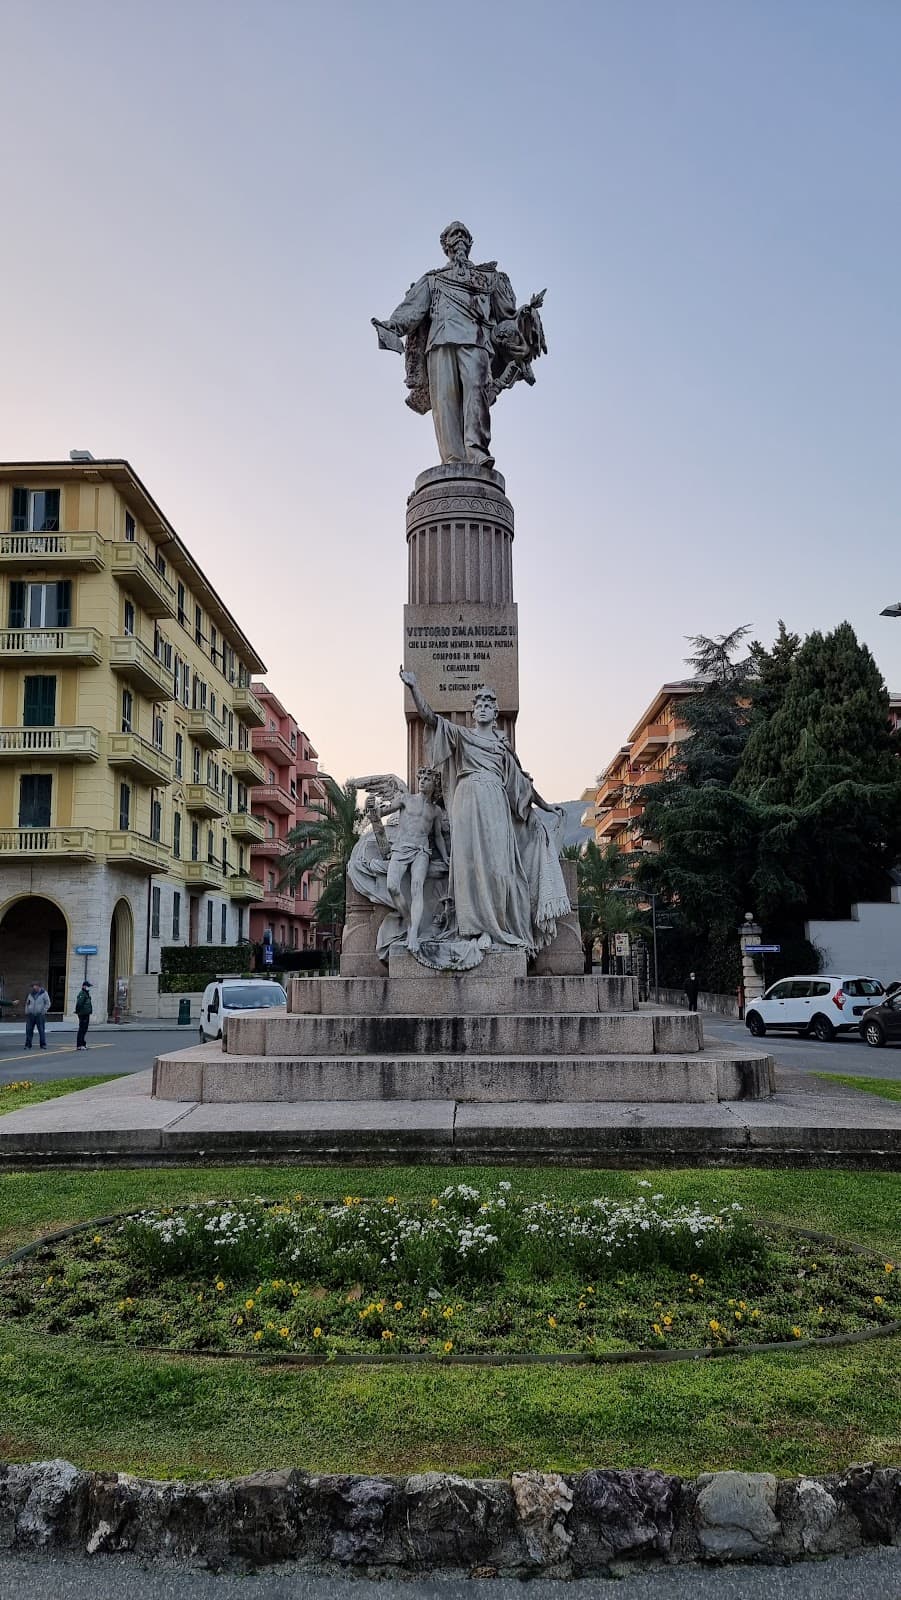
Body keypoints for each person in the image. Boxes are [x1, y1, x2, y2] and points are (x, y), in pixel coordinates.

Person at [399, 667, 569, 956]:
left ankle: (496, 927)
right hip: (467, 800)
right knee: (467, 865)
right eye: (478, 705)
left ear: (495, 711)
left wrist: (545, 806)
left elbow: (522, 785)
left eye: (488, 705)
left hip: (495, 802)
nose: (482, 709)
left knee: (498, 866)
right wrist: (414, 689)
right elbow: (430, 718)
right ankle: (472, 928)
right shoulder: (463, 736)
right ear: (473, 712)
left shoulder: (503, 747)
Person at [373, 222, 546, 469]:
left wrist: (526, 317)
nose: (459, 238)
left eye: (464, 234)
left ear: (470, 243)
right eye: (454, 235)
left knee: (477, 393)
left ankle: (476, 451)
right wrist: (391, 326)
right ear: (446, 245)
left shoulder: (487, 279)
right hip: (439, 342)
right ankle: (452, 458)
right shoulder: (433, 280)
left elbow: (507, 316)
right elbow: (412, 310)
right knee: (445, 401)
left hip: (476, 342)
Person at [377, 767, 448, 954]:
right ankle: (409, 922)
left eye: (427, 779)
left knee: (417, 888)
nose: (423, 781)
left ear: (435, 785)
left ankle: (413, 934)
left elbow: (438, 836)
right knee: (392, 887)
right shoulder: (405, 799)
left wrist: (445, 856)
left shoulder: (435, 811)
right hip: (401, 848)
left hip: (422, 851)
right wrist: (373, 809)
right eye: (421, 777)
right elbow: (382, 812)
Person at [24, 981, 50, 1049]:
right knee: (29, 1030)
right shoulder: (30, 994)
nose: (34, 987)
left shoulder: (44, 993)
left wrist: (44, 1011)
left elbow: (48, 1003)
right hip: (31, 1015)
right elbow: (27, 1003)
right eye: (33, 986)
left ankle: (43, 1044)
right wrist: (27, 1011)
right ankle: (28, 1045)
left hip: (40, 1015)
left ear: (39, 986)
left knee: (41, 1030)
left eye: (35, 986)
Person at [75, 980, 93, 1049]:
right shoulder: (82, 993)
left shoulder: (86, 993)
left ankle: (83, 1044)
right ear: (84, 986)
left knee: (84, 1029)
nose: (89, 988)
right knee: (82, 1029)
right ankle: (80, 1045)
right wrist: (78, 1011)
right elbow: (79, 1003)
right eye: (88, 986)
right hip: (83, 1014)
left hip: (86, 1013)